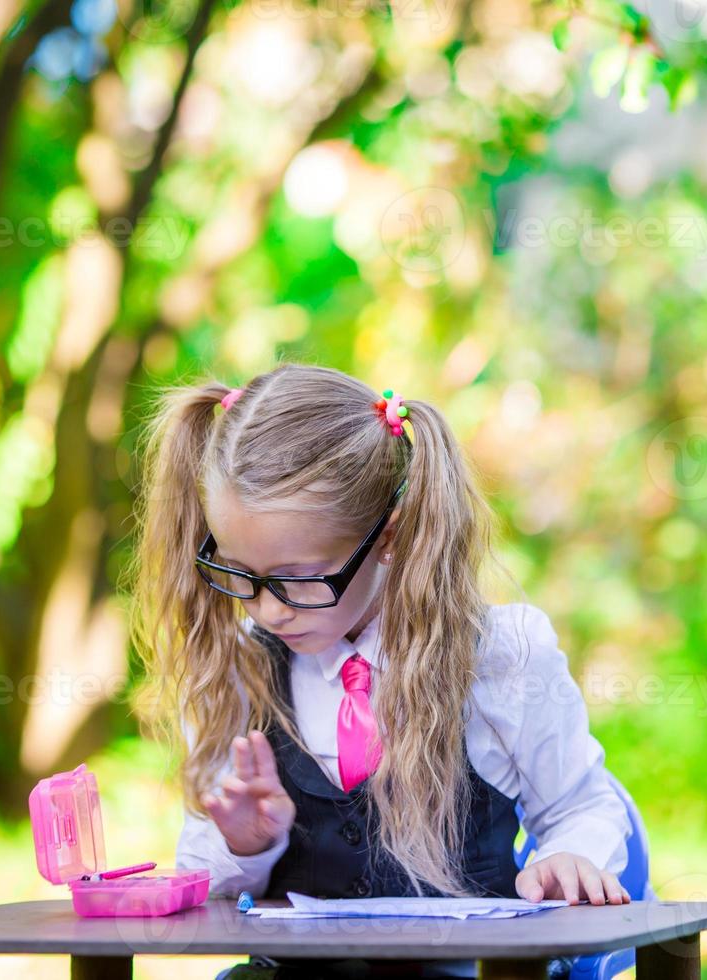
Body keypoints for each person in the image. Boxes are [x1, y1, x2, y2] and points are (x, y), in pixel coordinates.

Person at [129, 363, 633, 977]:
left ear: (388, 537)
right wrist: (248, 843)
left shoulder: (500, 655)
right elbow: (204, 886)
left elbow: (582, 807)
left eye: (297, 579)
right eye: (240, 573)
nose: (266, 608)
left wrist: (570, 856)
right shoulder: (238, 665)